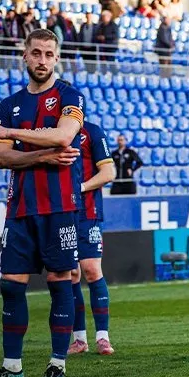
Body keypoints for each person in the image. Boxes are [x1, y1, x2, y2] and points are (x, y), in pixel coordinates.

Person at [0, 28, 86, 377]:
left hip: (59, 207)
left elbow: (63, 136)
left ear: (57, 58)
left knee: (60, 283)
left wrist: (11, 132)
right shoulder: (9, 104)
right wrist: (42, 154)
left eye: (49, 54)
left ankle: (57, 365)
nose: (42, 60)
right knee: (11, 285)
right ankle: (12, 368)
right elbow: (1, 157)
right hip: (20, 208)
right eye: (36, 53)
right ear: (24, 55)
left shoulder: (69, 95)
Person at [68, 122, 117, 357]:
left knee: (91, 270)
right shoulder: (49, 133)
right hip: (60, 213)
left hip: (88, 212)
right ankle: (79, 339)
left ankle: (102, 338)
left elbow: (109, 173)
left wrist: (81, 187)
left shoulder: (92, 132)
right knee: (71, 274)